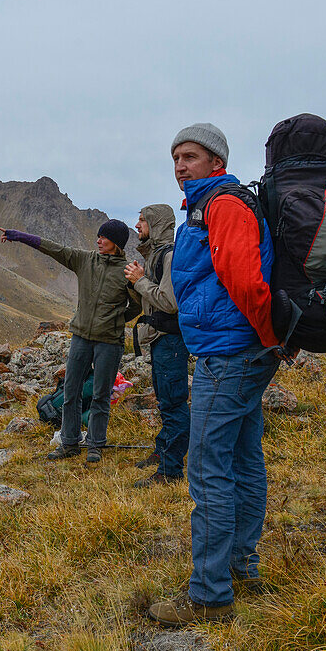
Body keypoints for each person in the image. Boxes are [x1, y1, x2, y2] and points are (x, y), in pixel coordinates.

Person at [148, 123, 283, 627]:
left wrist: (270, 337)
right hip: (240, 352)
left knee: (207, 469)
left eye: (190, 156)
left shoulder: (223, 206)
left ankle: (209, 595)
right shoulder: (209, 207)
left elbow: (245, 281)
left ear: (216, 160)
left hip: (229, 357)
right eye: (176, 158)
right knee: (245, 459)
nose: (181, 166)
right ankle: (241, 566)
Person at [0, 220, 138, 462]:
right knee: (71, 391)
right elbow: (54, 248)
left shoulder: (126, 270)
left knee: (101, 395)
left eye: (104, 237)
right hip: (81, 337)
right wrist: (18, 235)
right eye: (98, 235)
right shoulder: (85, 260)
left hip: (109, 342)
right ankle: (69, 443)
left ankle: (95, 444)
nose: (98, 240)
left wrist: (117, 319)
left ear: (116, 243)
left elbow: (137, 303)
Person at [124, 204, 190, 487]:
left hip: (170, 339)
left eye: (142, 220)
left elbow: (168, 302)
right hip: (160, 339)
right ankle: (163, 451)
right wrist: (140, 279)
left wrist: (140, 282)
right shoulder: (156, 256)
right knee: (165, 400)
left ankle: (171, 470)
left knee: (174, 403)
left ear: (156, 223)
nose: (137, 225)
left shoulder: (170, 256)